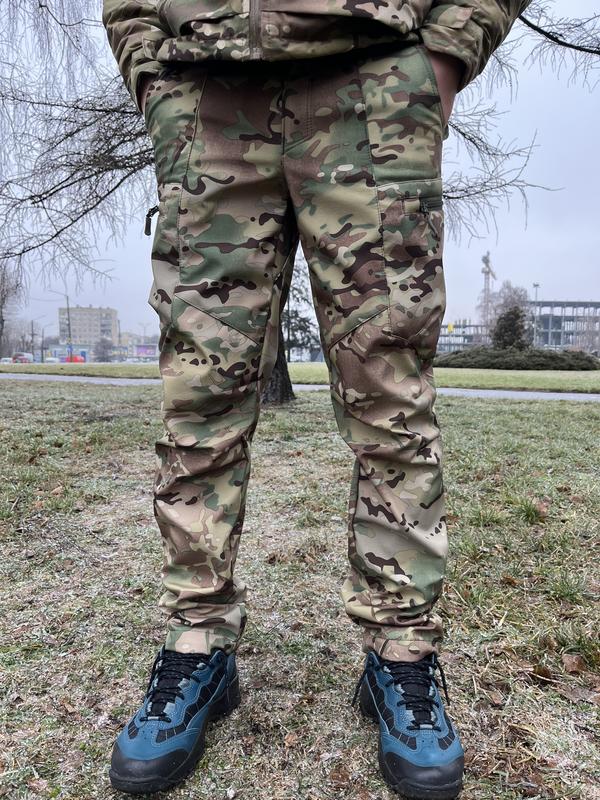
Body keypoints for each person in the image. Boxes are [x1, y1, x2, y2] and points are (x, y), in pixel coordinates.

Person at [102, 2, 530, 797]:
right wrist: (150, 70)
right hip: (205, 94)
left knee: (389, 399)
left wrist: (445, 55)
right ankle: (197, 641)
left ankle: (401, 653)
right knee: (200, 398)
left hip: (373, 90)